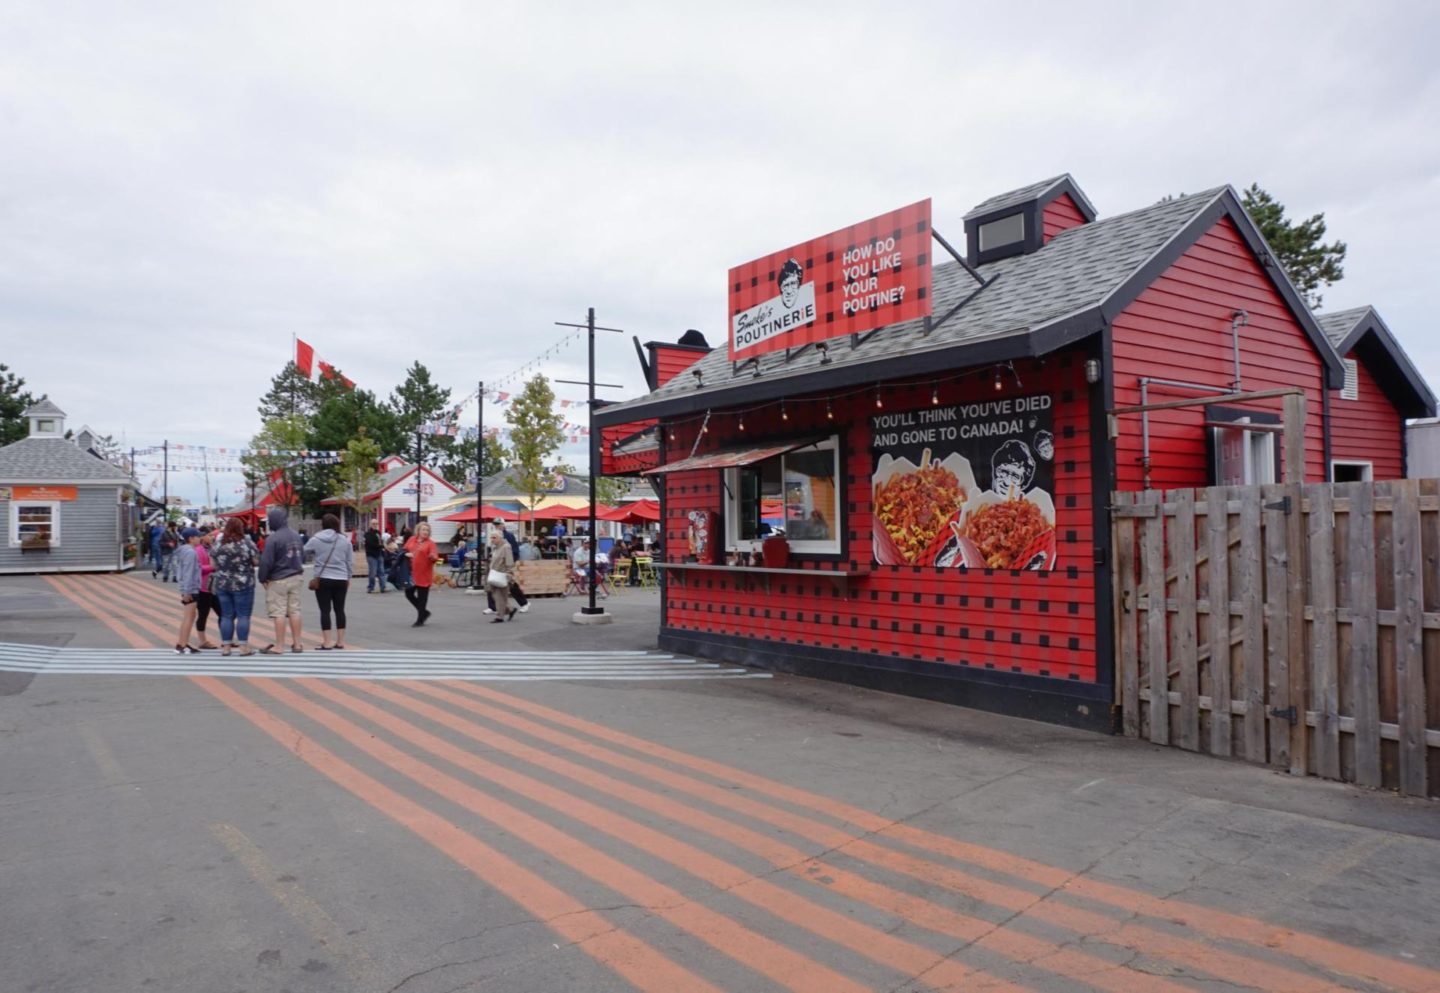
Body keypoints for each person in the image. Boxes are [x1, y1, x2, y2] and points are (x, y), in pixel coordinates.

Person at [256, 506, 306, 654]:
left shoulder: (273, 538)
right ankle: (297, 644)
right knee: (295, 611)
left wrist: (263, 578)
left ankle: (279, 646)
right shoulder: (296, 535)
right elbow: (302, 556)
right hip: (296, 575)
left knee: (279, 612)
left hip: (278, 579)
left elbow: (266, 562)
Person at [212, 518, 260, 656]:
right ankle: (243, 647)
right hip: (243, 583)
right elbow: (256, 561)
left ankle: (226, 647)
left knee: (226, 615)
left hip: (223, 583)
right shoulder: (247, 543)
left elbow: (213, 565)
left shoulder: (219, 543)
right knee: (243, 615)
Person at [306, 513, 354, 650]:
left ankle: (327, 642)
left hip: (323, 579)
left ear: (323, 525)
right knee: (340, 610)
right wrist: (348, 577)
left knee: (325, 610)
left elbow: (304, 551)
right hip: (341, 578)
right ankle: (340, 642)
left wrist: (316, 555)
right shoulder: (345, 540)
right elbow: (349, 561)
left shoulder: (316, 539)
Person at [484, 522, 529, 615]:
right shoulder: (494, 535)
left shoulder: (509, 536)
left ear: (503, 525)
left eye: (498, 525)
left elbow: (514, 551)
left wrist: (511, 565)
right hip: (495, 567)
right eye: (495, 525)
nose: (497, 526)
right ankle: (493, 607)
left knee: (511, 586)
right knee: (491, 586)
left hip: (505, 566)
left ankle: (523, 603)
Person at [402, 522, 443, 626]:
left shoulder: (430, 543)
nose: (425, 532)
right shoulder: (412, 539)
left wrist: (433, 557)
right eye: (423, 530)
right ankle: (424, 612)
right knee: (408, 593)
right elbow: (404, 550)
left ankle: (420, 619)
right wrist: (406, 554)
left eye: (427, 530)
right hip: (412, 573)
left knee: (422, 597)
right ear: (418, 531)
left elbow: (435, 555)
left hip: (424, 574)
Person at [172, 528, 203, 654]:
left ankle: (183, 642)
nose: (199, 538)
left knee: (190, 616)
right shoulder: (191, 553)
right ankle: (181, 644)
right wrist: (187, 591)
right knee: (189, 617)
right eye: (197, 536)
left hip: (188, 587)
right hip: (190, 588)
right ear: (191, 538)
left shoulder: (183, 551)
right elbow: (189, 572)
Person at [192, 527, 221, 649]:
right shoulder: (198, 550)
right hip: (203, 588)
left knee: (223, 613)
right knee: (203, 614)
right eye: (209, 535)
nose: (212, 537)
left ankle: (226, 638)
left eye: (212, 535)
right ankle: (202, 640)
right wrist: (212, 567)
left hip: (213, 586)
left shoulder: (211, 548)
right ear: (202, 536)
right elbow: (198, 568)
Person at [486, 530, 517, 622]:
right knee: (496, 595)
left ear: (500, 538)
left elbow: (509, 562)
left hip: (502, 574)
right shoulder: (495, 548)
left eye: (494, 537)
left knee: (500, 596)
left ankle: (499, 617)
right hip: (494, 574)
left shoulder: (506, 547)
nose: (492, 539)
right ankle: (510, 609)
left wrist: (509, 574)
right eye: (491, 537)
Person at [363, 524, 387, 593]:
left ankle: (383, 587)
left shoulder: (378, 532)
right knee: (372, 573)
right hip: (371, 555)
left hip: (379, 554)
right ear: (370, 525)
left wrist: (382, 546)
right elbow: (371, 543)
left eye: (376, 524)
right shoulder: (368, 534)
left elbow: (380, 541)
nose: (375, 525)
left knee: (381, 572)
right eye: (373, 524)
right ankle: (370, 587)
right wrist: (381, 546)